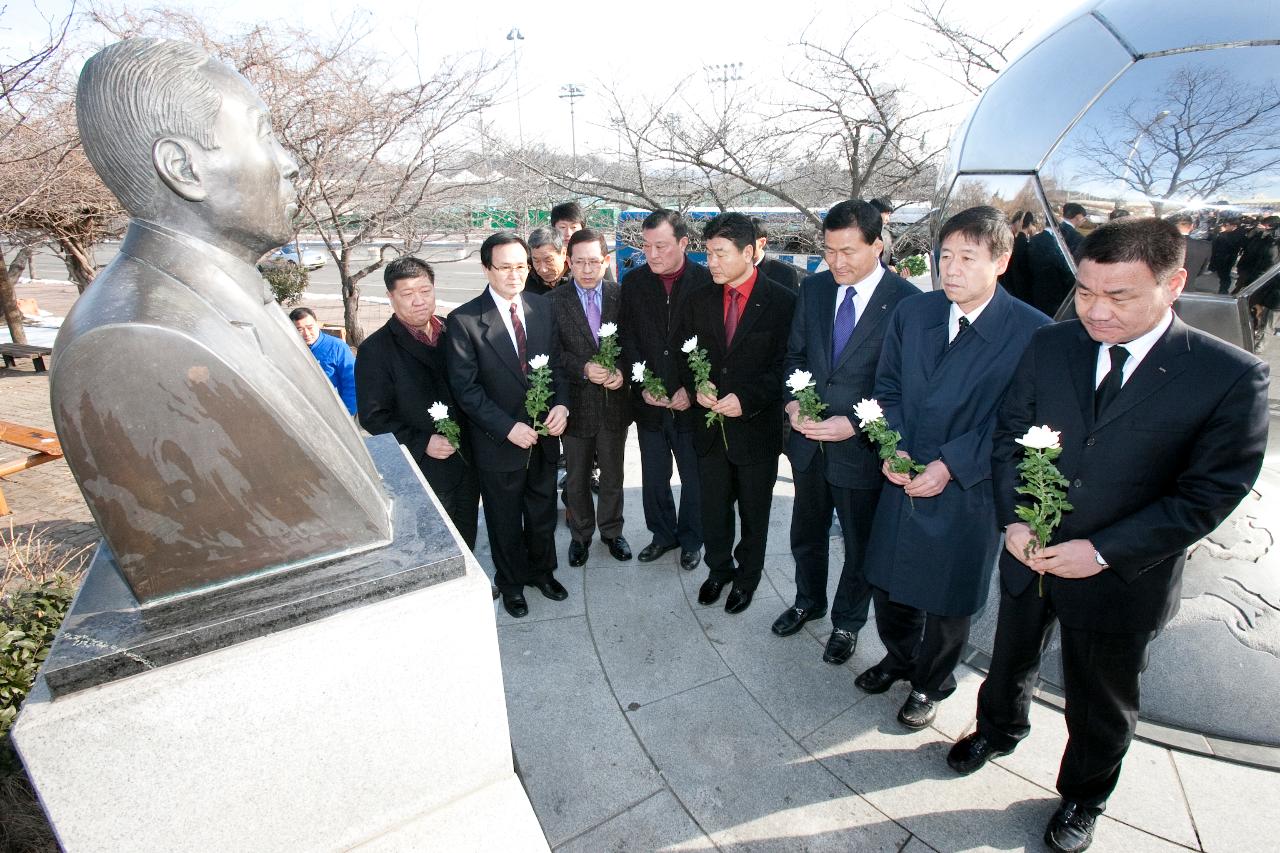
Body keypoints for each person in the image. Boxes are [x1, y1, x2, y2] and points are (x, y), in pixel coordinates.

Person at [948, 217, 1268, 853]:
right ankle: (998, 728)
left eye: (1118, 296)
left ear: (1173, 284)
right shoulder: (1051, 345)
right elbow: (1010, 436)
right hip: (1028, 554)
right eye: (1087, 292)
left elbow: (1208, 493)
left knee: (1101, 697)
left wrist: (1101, 551)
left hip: (1122, 577)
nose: (1096, 310)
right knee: (1011, 658)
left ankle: (1083, 796)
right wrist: (1013, 518)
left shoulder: (1228, 376)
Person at [52, 38, 389, 601]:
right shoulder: (129, 341)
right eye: (263, 134)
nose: (289, 162)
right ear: (184, 168)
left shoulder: (232, 291)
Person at [856, 206, 1051, 729]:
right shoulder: (913, 313)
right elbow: (887, 387)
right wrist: (889, 447)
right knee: (888, 582)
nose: (952, 269)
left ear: (1002, 261)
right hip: (903, 471)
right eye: (945, 256)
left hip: (971, 485)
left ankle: (931, 681)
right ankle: (899, 658)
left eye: (968, 257)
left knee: (947, 599)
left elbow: (1018, 421)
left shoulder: (1033, 332)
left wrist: (952, 463)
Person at [770, 200, 918, 662]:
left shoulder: (908, 303)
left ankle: (847, 623)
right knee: (806, 533)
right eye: (829, 250)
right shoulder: (812, 289)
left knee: (859, 544)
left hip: (863, 452)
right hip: (808, 445)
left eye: (848, 251)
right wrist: (794, 404)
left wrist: (853, 424)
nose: (836, 261)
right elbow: (793, 357)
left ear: (878, 244)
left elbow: (902, 388)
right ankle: (807, 602)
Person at [446, 232, 571, 619]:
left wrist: (563, 405)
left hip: (544, 438)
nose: (515, 275)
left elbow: (558, 365)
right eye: (505, 267)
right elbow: (466, 391)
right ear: (487, 269)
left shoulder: (542, 308)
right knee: (503, 518)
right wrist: (506, 428)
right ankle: (512, 582)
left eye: (522, 266)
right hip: (498, 443)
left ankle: (542, 572)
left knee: (542, 511)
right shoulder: (464, 321)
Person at [678, 212, 795, 614]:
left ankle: (746, 579)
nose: (711, 262)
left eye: (720, 254)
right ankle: (718, 569)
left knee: (754, 513)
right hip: (709, 428)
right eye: (707, 253)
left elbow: (786, 367)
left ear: (749, 251)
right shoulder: (700, 298)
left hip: (755, 429)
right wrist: (698, 384)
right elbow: (685, 351)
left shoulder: (782, 301)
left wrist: (747, 398)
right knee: (713, 508)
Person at [355, 257, 479, 550]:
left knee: (468, 531)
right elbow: (373, 417)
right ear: (391, 297)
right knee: (439, 542)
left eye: (425, 291)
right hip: (427, 468)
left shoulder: (454, 331)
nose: (419, 301)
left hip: (469, 461)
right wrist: (422, 441)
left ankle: (469, 582)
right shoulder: (376, 350)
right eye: (407, 294)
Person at [619, 210, 711, 570]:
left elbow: (712, 345)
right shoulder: (635, 282)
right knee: (654, 474)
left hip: (690, 403)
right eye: (646, 246)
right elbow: (627, 338)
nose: (652, 254)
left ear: (684, 243)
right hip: (650, 402)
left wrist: (691, 388)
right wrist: (641, 384)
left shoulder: (705, 282)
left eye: (661, 246)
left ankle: (692, 539)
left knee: (694, 477)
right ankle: (662, 534)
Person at [550, 228, 632, 566]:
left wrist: (622, 372)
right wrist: (583, 368)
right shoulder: (552, 303)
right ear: (569, 263)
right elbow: (552, 355)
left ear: (606, 260)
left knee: (613, 476)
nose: (587, 269)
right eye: (579, 262)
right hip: (576, 408)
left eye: (594, 262)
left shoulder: (622, 296)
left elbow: (636, 345)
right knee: (578, 477)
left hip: (614, 406)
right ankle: (580, 535)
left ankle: (612, 531)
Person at [290, 306, 356, 415]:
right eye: (300, 329)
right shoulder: (290, 348)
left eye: (310, 327)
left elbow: (351, 381)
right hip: (305, 412)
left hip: (337, 412)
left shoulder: (337, 347)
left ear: (317, 324)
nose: (306, 334)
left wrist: (347, 412)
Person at [551, 201, 615, 282]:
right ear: (553, 228)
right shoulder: (548, 253)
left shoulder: (595, 252)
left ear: (582, 228)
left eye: (573, 227)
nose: (568, 233)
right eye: (563, 227)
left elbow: (608, 286)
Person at [751, 218, 800, 292]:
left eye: (745, 242)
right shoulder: (730, 269)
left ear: (762, 242)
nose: (739, 246)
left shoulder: (785, 274)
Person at [1169, 213, 1211, 288]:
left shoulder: (1163, 244)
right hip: (1188, 287)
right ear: (1192, 226)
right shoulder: (1204, 247)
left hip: (1163, 290)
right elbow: (1202, 270)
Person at [525, 227, 569, 297]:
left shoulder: (579, 280)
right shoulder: (525, 283)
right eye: (536, 261)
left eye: (548, 260)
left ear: (563, 253)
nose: (543, 270)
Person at [1208, 217, 1246, 295]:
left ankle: (1223, 290)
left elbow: (1233, 245)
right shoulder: (1225, 233)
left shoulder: (1238, 235)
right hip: (1220, 256)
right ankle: (1222, 289)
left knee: (1225, 275)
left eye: (1227, 225)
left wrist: (1223, 234)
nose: (1225, 226)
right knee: (1222, 274)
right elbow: (1215, 243)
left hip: (1228, 258)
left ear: (1234, 226)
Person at [870, 198, 898, 272]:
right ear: (876, 212)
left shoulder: (886, 234)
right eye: (887, 214)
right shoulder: (861, 233)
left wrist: (899, 268)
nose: (888, 219)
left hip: (884, 279)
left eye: (889, 215)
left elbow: (890, 257)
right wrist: (884, 268)